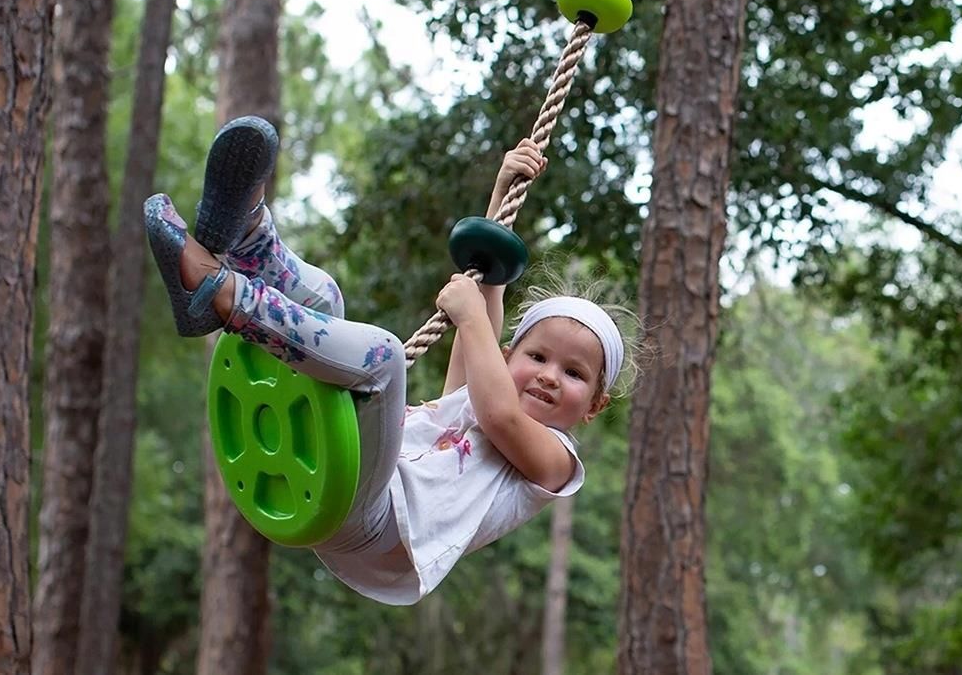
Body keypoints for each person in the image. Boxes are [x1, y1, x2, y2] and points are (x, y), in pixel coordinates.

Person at [144, 116, 634, 605]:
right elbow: (485, 290)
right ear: (506, 358)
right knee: (325, 302)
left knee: (383, 358)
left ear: (593, 405)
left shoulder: (556, 460)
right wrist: (503, 194)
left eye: (573, 374)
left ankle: (218, 293)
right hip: (356, 477)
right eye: (538, 356)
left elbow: (501, 413)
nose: (550, 376)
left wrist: (472, 322)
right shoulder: (470, 400)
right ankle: (247, 235)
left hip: (379, 527)